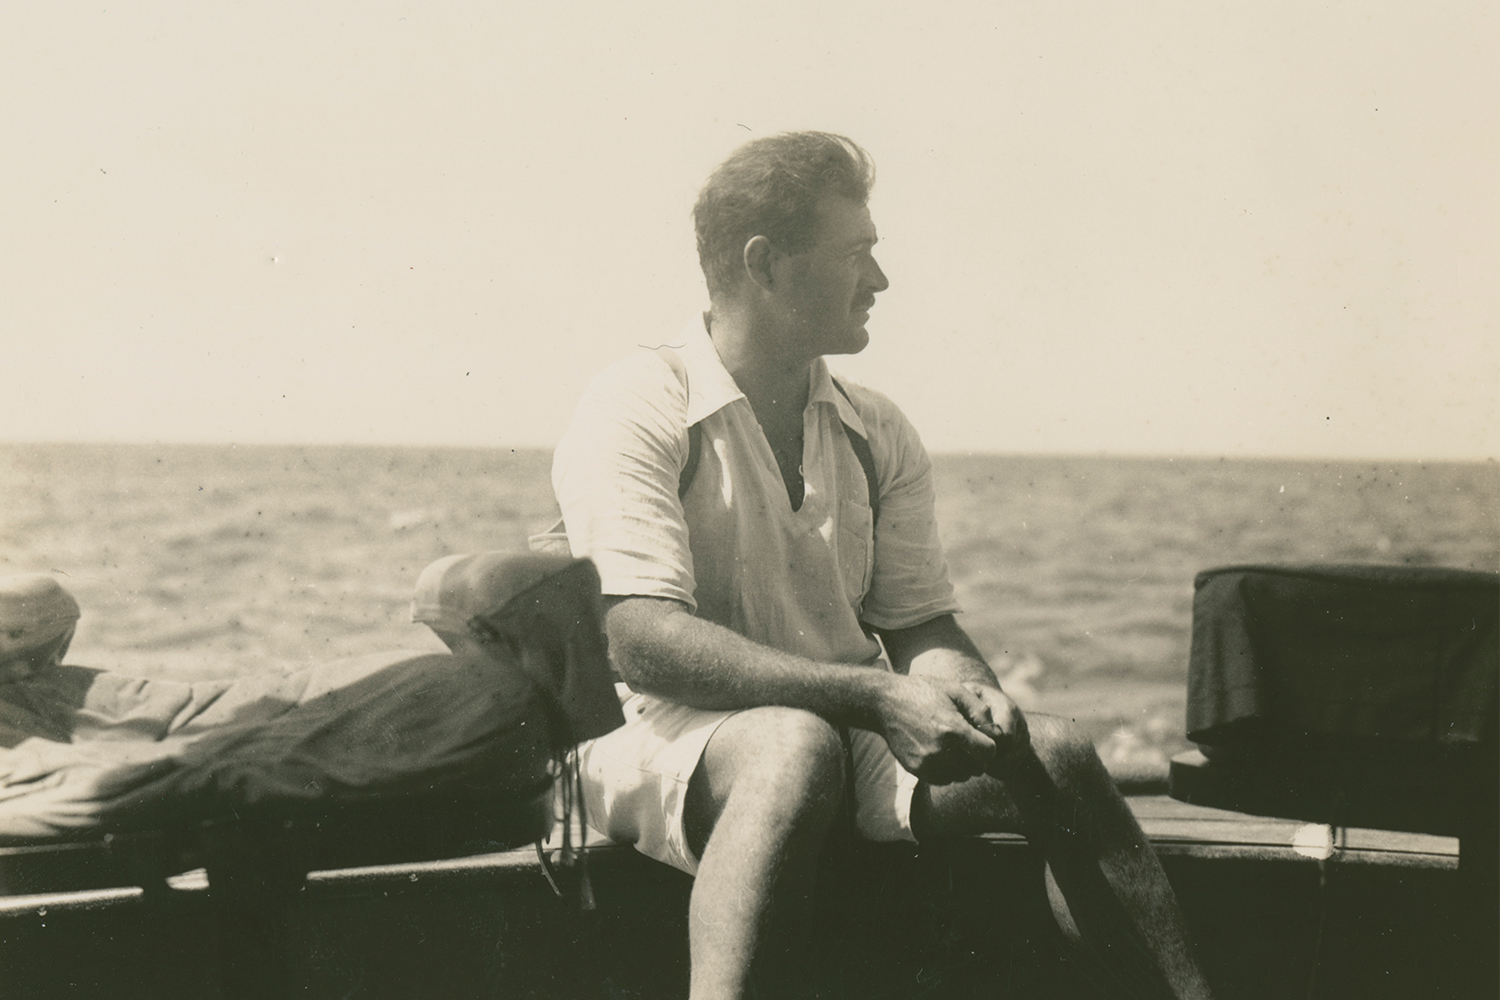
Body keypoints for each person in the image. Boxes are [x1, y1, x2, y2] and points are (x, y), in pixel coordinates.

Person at [551, 131, 1214, 999]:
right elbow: (637, 640)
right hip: (657, 732)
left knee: (1053, 755)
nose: (880, 281)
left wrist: (968, 691)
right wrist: (873, 696)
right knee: (792, 748)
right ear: (767, 264)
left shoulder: (876, 430)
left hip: (837, 724)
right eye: (857, 253)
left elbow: (915, 625)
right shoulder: (639, 402)